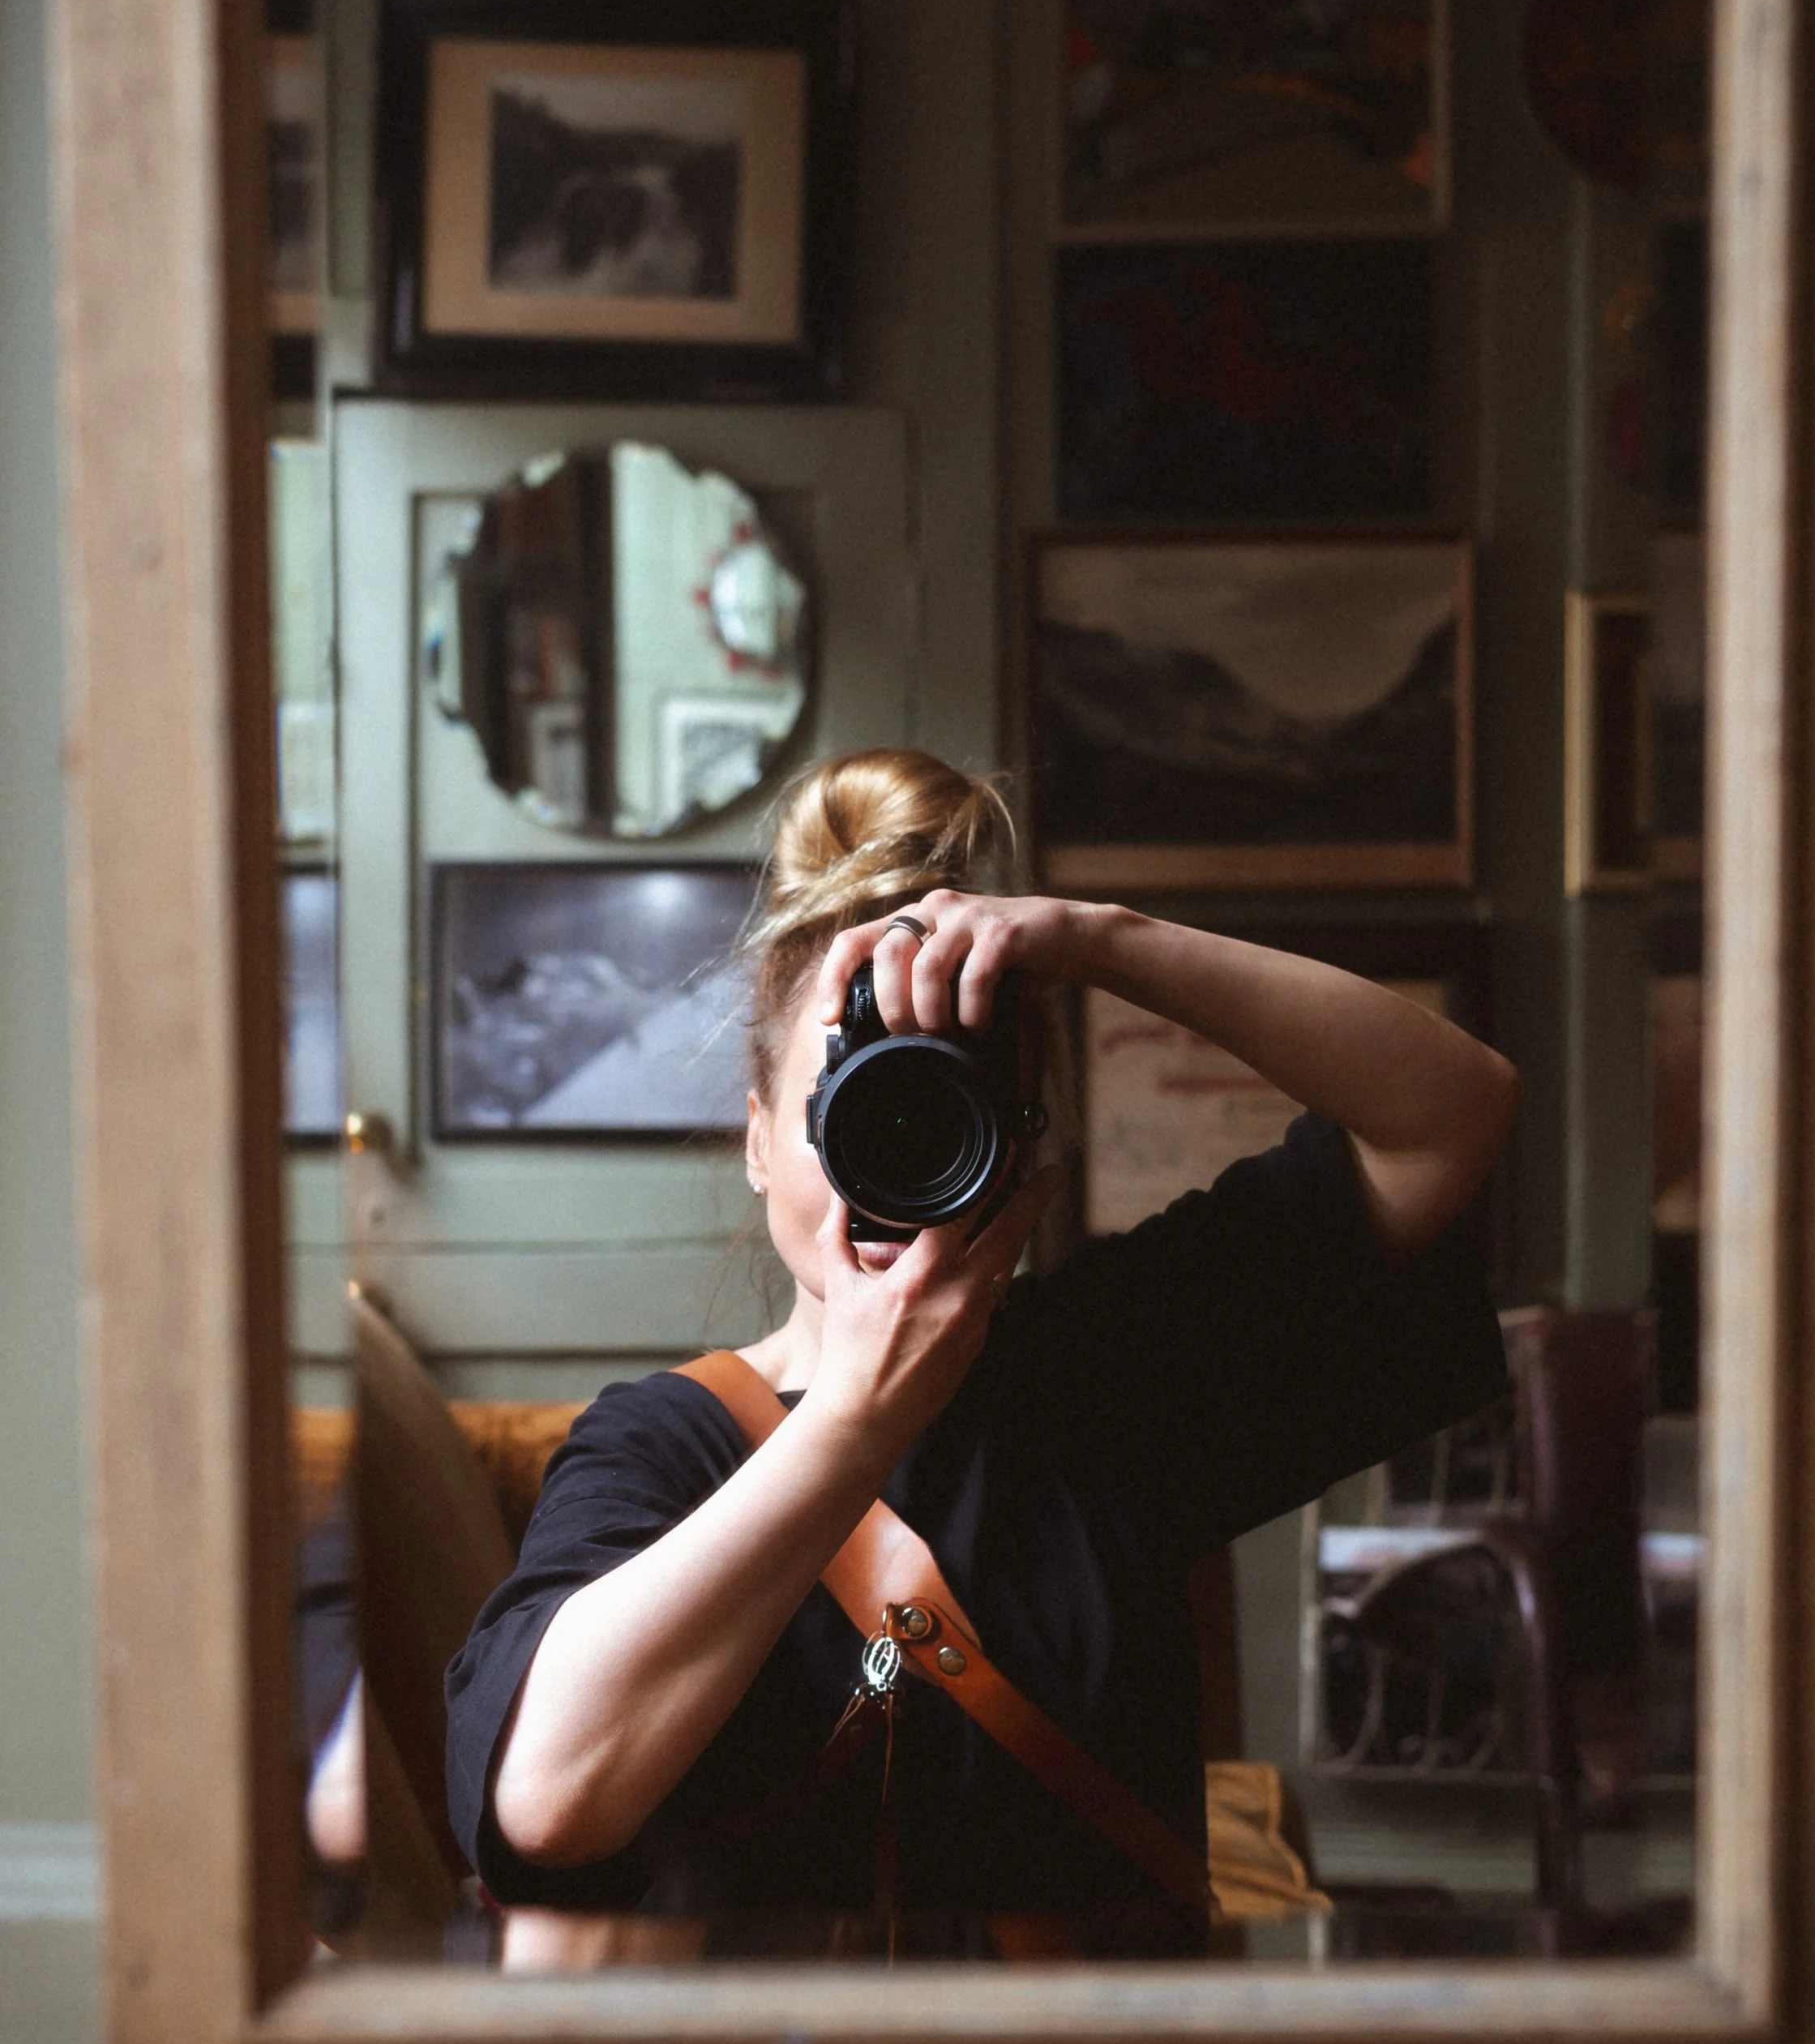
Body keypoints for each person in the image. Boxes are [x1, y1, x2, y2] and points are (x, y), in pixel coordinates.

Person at [445, 749, 1519, 1952]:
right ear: (758, 1140)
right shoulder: (666, 1440)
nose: (889, 1143)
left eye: (936, 1096)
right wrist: (856, 1413)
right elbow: (547, 1796)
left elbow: (1454, 1113)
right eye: (847, 1096)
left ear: (1016, 1148)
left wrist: (1103, 941)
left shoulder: (1110, 1371)